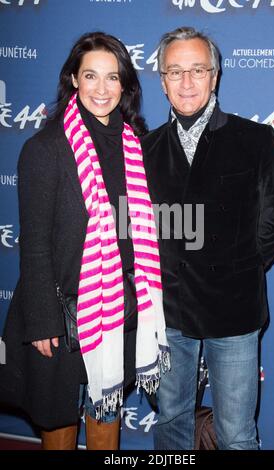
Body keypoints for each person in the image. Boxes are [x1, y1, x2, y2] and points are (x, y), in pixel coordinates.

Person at [0, 31, 169, 450]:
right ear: (74, 79)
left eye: (112, 78)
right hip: (60, 311)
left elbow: (134, 228)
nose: (102, 89)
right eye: (90, 76)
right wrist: (41, 320)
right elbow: (34, 242)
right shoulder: (46, 148)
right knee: (58, 421)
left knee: (105, 413)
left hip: (116, 306)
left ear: (125, 85)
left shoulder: (135, 146)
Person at [141, 26, 274, 450]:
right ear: (162, 81)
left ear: (215, 75)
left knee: (236, 434)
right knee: (171, 423)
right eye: (175, 72)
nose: (187, 82)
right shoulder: (144, 150)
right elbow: (137, 229)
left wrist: (237, 268)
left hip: (234, 313)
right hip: (168, 315)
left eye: (197, 70)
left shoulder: (256, 139)